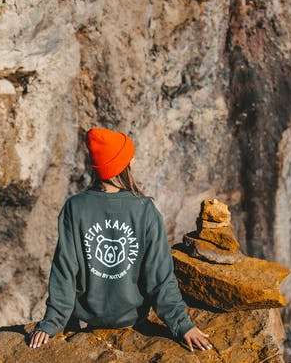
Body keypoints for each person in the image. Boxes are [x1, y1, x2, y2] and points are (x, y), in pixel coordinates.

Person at [29, 127, 212, 353]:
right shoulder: (145, 210)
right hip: (133, 320)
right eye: (129, 157)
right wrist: (182, 325)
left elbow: (65, 270)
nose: (133, 160)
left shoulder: (75, 208)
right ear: (120, 165)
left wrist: (52, 323)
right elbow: (160, 276)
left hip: (87, 320)